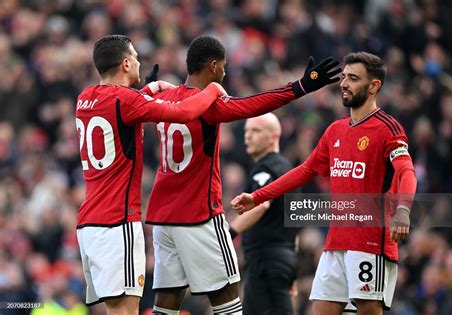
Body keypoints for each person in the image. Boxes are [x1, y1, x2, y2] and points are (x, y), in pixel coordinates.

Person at [144, 36, 341, 315]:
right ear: (213, 66)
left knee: (166, 302)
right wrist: (300, 87)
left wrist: (145, 87)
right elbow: (254, 105)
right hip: (199, 215)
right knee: (229, 300)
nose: (224, 74)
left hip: (162, 219)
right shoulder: (208, 105)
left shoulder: (165, 98)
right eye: (222, 67)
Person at [232, 52, 417, 315]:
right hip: (335, 243)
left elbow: (406, 171)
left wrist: (403, 209)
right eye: (343, 77)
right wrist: (258, 196)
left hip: (369, 243)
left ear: (374, 86)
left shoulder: (388, 128)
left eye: (353, 78)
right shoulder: (335, 131)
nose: (343, 83)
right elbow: (305, 170)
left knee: (367, 311)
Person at [75, 34, 226, 315]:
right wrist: (214, 89)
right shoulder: (127, 101)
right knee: (125, 311)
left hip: (89, 225)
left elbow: (121, 109)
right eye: (135, 57)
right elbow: (183, 112)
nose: (139, 62)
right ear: (125, 64)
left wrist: (151, 88)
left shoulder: (84, 98)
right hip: (117, 223)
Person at [229, 113, 300, 315]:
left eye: (256, 131)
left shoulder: (269, 167)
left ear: (273, 136)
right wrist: (291, 268)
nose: (248, 137)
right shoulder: (286, 170)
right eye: (246, 131)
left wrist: (228, 233)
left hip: (267, 261)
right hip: (278, 260)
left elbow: (261, 205)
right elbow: (295, 224)